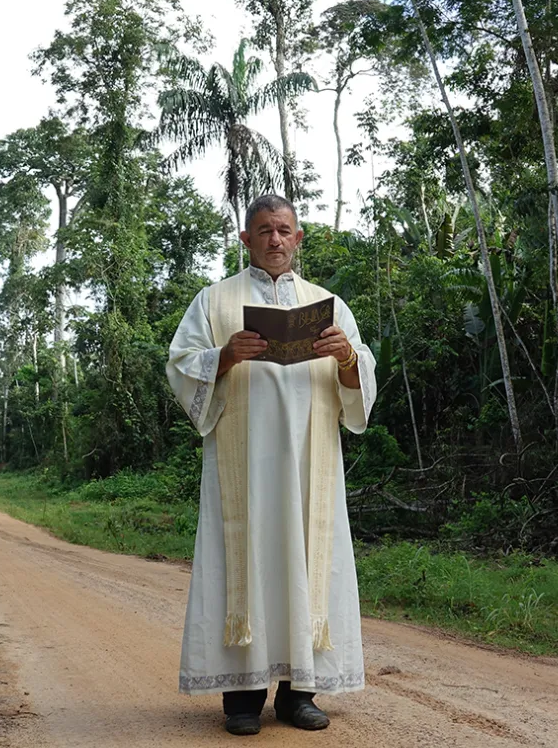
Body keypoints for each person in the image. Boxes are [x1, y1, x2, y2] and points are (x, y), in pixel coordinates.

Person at [167, 194, 377, 736]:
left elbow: (359, 387)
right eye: (263, 231)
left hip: (311, 464)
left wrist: (347, 357)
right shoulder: (215, 303)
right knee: (246, 562)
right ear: (245, 239)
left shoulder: (327, 305)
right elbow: (182, 365)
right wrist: (225, 355)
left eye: (284, 229)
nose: (275, 240)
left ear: (298, 237)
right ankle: (241, 700)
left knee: (308, 563)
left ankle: (298, 695)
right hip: (245, 468)